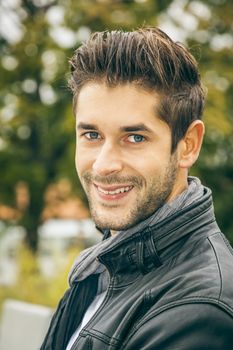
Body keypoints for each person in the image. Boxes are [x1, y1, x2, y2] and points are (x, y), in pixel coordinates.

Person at [41, 27, 233, 350]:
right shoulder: (105, 266)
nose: (103, 165)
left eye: (135, 138)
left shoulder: (199, 312)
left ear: (188, 145)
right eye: (91, 135)